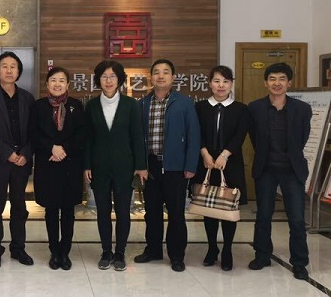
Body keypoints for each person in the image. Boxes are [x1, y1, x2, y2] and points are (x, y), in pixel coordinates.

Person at [247, 62, 312, 280]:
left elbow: (302, 138)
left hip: (292, 170)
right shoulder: (255, 108)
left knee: (296, 219)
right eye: (272, 79)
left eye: (282, 79)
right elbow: (255, 138)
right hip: (266, 169)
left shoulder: (302, 109)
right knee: (263, 215)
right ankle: (262, 255)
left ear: (289, 83)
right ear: (265, 83)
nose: (277, 83)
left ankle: (300, 263)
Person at [134, 59, 200, 272]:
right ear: (151, 77)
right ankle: (153, 250)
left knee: (176, 213)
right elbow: (137, 138)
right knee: (151, 212)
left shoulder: (184, 103)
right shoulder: (142, 104)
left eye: (165, 72)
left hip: (176, 167)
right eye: (156, 72)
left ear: (173, 77)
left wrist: (190, 165)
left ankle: (177, 255)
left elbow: (193, 135)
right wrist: (140, 165)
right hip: (150, 167)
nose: (160, 76)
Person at [84, 61, 147, 271]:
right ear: (98, 80)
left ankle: (120, 252)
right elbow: (88, 139)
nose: (108, 80)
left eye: (112, 76)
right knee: (102, 212)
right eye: (104, 76)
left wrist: (141, 165)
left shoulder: (131, 105)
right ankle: (106, 251)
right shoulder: (91, 106)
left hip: (125, 167)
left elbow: (137, 136)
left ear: (119, 79)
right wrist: (86, 164)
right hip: (99, 167)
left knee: (122, 212)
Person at [0, 51, 35, 270]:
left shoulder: (27, 98)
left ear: (19, 71)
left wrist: (25, 153)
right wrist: (7, 153)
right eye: (5, 66)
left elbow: (34, 130)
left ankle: (18, 248)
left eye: (13, 66)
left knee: (19, 206)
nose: (9, 70)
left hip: (21, 161)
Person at [30, 67, 86, 270]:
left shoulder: (76, 105)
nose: (57, 84)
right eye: (53, 80)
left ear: (68, 84)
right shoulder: (38, 106)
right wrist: (51, 147)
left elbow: (82, 134)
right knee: (51, 210)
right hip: (48, 165)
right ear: (47, 84)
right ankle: (54, 251)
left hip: (70, 165)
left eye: (62, 80)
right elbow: (33, 133)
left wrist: (64, 149)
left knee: (69, 211)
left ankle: (65, 252)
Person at [195, 66, 248, 271]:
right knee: (208, 208)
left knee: (228, 207)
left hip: (230, 163)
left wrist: (225, 154)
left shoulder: (241, 109)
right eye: (217, 81)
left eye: (225, 81)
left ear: (231, 84)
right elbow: (196, 133)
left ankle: (227, 249)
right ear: (209, 83)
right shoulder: (200, 107)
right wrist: (205, 154)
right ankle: (211, 248)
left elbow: (240, 135)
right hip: (206, 162)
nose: (221, 85)